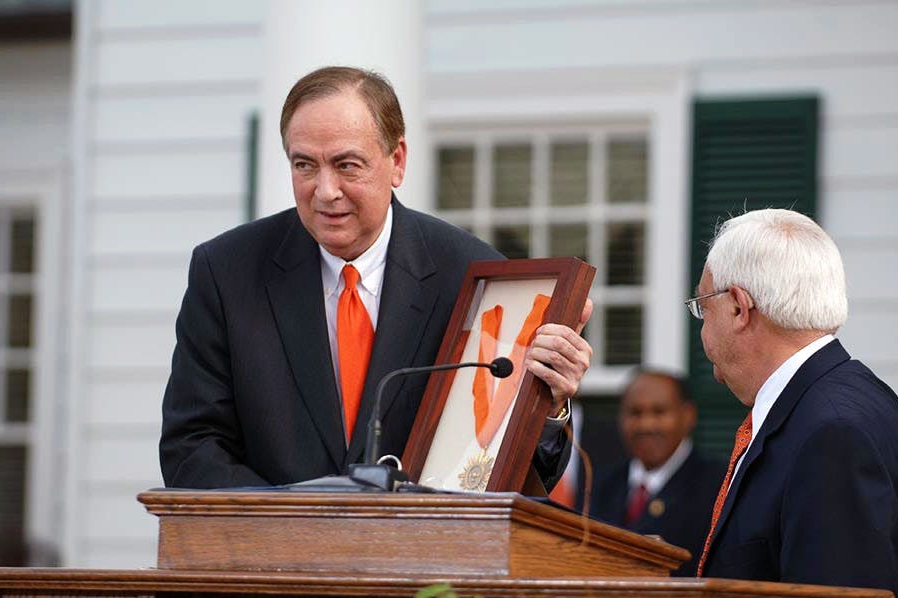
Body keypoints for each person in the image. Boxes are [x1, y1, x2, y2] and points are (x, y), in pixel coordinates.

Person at [160, 66, 592, 490]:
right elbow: (192, 449)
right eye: (305, 165)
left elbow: (523, 476)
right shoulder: (226, 271)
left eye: (347, 165)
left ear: (397, 161)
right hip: (271, 554)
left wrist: (549, 404)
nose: (325, 191)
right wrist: (294, 526)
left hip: (421, 554)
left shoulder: (474, 277)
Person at [690, 208, 898, 598]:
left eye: (703, 307)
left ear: (738, 306)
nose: (701, 329)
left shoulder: (831, 431)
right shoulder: (833, 403)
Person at [588, 369, 725, 577]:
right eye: (635, 413)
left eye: (659, 412)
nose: (646, 425)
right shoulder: (601, 485)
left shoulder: (720, 485)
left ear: (688, 416)